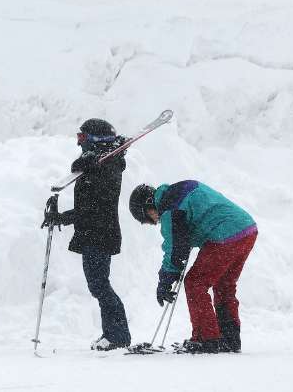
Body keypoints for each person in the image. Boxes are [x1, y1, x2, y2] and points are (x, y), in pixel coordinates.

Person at [128, 180, 257, 354]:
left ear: (149, 204)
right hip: (247, 229)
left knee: (195, 283)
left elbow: (175, 249)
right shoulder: (177, 192)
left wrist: (164, 281)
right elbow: (187, 234)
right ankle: (230, 339)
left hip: (225, 234)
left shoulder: (170, 207)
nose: (154, 221)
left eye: (147, 217)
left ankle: (206, 339)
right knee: (224, 285)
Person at [42, 118, 131, 351]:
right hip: (94, 232)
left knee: (99, 285)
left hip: (100, 233)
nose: (78, 142)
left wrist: (62, 218)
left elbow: (92, 208)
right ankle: (111, 334)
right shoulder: (99, 164)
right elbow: (87, 202)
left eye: (82, 137)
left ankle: (118, 335)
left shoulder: (107, 167)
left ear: (94, 141)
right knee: (98, 285)